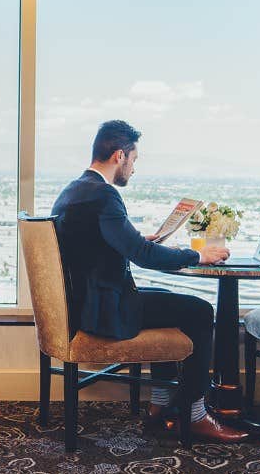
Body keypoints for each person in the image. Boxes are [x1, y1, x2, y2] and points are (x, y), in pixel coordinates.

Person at [49, 119, 249, 443]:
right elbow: (143, 256)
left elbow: (97, 243)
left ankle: (160, 407)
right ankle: (196, 415)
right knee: (199, 310)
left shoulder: (74, 190)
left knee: (165, 297)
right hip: (105, 311)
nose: (133, 168)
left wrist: (138, 239)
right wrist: (198, 256)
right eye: (134, 160)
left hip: (86, 302)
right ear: (119, 156)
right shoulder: (104, 196)